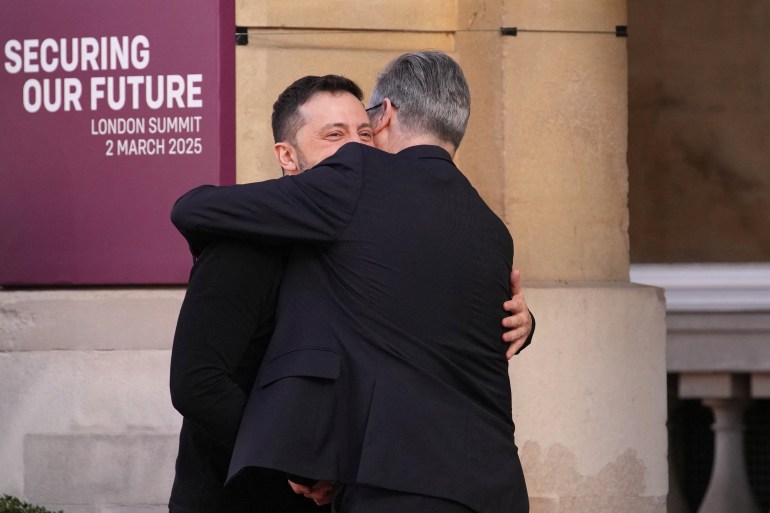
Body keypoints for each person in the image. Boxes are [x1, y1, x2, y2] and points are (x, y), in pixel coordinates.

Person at [168, 73, 533, 512]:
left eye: (364, 133)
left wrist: (522, 322)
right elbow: (198, 383)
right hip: (243, 494)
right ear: (288, 155)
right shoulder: (242, 239)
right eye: (334, 135)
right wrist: (297, 463)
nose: (356, 150)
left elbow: (434, 309)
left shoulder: (380, 234)